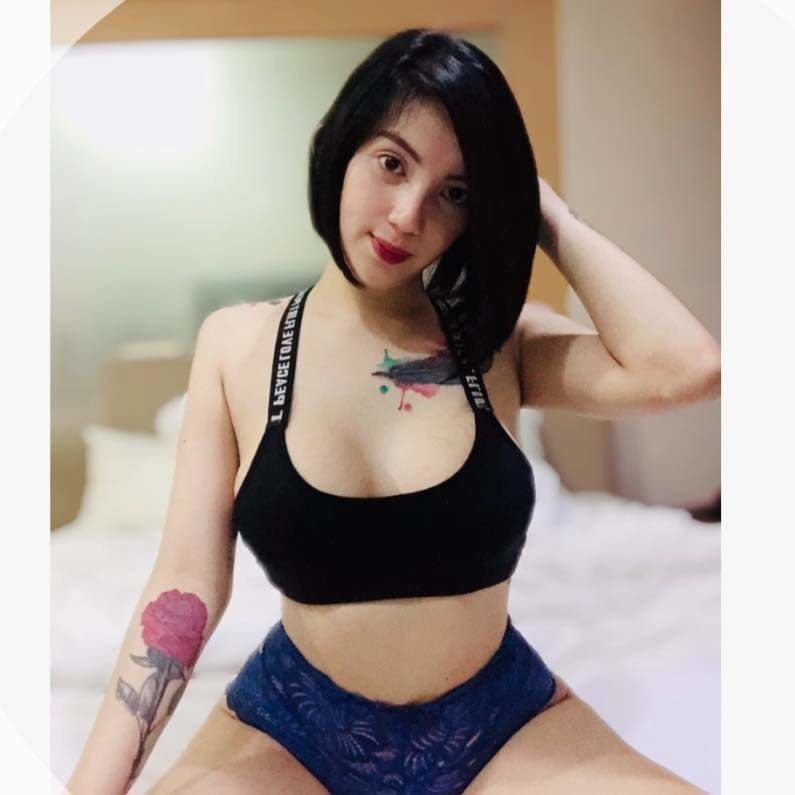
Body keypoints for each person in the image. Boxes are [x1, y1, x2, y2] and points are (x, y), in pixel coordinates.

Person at [68, 28, 720, 794]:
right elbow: (185, 581)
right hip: (295, 725)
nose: (409, 215)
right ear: (338, 149)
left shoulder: (497, 341)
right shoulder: (237, 345)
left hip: (496, 721)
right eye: (391, 164)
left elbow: (686, 369)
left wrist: (543, 214)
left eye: (455, 192)